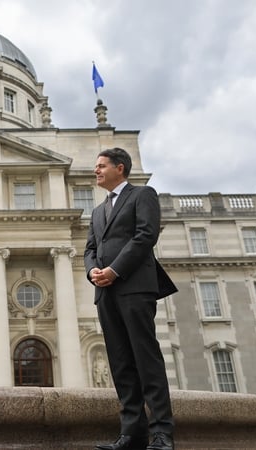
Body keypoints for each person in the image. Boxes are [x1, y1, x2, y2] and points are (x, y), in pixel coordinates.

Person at [84, 147, 177, 450]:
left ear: (119, 168)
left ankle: (162, 432)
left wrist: (114, 270)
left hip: (135, 287)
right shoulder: (98, 211)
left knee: (145, 358)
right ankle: (131, 433)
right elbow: (90, 249)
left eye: (101, 166)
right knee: (121, 363)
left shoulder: (142, 195)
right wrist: (93, 272)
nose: (96, 171)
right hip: (106, 292)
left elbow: (145, 235)